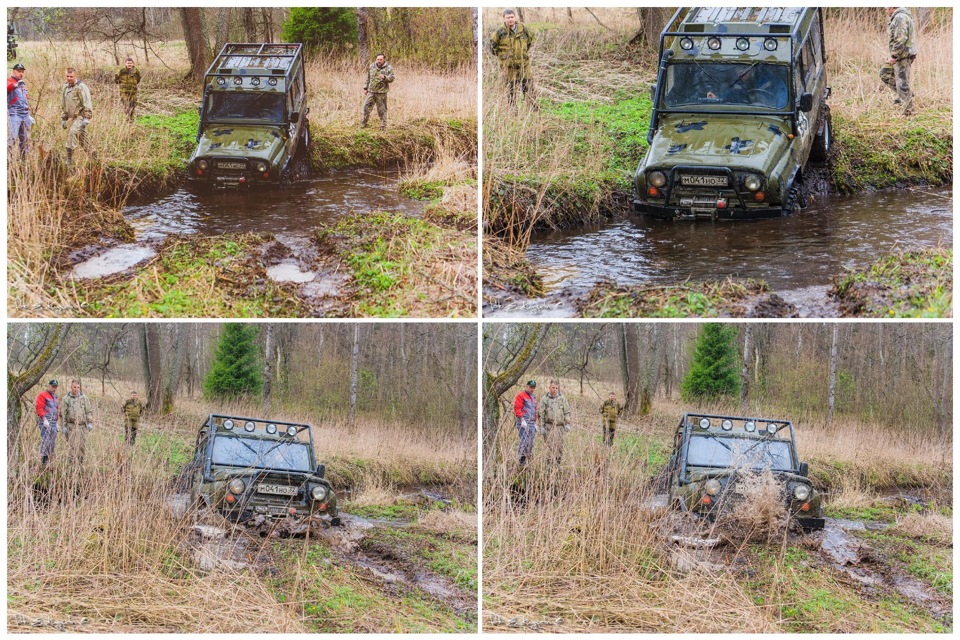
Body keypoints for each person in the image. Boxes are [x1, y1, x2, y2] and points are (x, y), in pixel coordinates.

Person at [490, 9, 535, 109]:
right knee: (511, 89)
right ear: (504, 19)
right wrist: (504, 59)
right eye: (508, 18)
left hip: (524, 64)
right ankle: (513, 111)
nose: (510, 19)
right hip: (508, 67)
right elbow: (493, 49)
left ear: (515, 17)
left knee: (528, 86)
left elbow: (529, 43)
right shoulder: (499, 33)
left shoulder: (523, 29)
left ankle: (534, 110)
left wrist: (522, 54)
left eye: (512, 17)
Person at [880, 7, 917, 116]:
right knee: (884, 73)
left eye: (886, 8)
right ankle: (905, 95)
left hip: (902, 55)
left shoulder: (900, 17)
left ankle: (909, 112)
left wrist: (894, 55)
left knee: (902, 83)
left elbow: (901, 39)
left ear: (891, 6)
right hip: (903, 54)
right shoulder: (899, 16)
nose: (885, 10)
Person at [61, 67, 96, 167]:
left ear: (75, 76)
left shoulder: (81, 87)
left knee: (73, 132)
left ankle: (69, 159)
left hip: (80, 116)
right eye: (67, 76)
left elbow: (87, 102)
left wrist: (87, 118)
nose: (69, 78)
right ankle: (93, 156)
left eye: (71, 76)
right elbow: (64, 103)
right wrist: (64, 118)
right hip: (73, 117)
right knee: (82, 138)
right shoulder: (65, 87)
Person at [60, 379, 94, 468]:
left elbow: (89, 411)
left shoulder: (84, 398)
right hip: (71, 426)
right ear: (71, 387)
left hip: (82, 426)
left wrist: (90, 422)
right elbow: (63, 414)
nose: (76, 389)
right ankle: (71, 466)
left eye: (78, 387)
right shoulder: (66, 398)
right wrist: (63, 426)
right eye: (74, 387)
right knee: (72, 446)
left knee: (81, 446)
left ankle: (79, 465)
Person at [538, 380, 571, 465]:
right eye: (553, 387)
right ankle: (549, 466)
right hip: (549, 426)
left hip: (560, 426)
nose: (555, 389)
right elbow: (541, 414)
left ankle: (557, 464)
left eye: (556, 388)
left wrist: (567, 423)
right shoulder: (544, 399)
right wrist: (541, 426)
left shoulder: (562, 399)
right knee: (549, 446)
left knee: (560, 446)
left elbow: (567, 412)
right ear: (549, 387)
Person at [361, 53, 394, 130]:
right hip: (371, 91)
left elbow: (392, 78)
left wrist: (385, 77)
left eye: (380, 59)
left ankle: (383, 126)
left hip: (381, 93)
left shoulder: (388, 68)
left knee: (382, 109)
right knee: (366, 107)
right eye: (377, 59)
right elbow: (368, 78)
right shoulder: (372, 66)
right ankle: (364, 123)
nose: (379, 61)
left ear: (384, 59)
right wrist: (365, 88)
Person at [7, 62, 33, 157]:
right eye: (19, 71)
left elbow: (24, 100)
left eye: (22, 71)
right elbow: (7, 87)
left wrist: (29, 115)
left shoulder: (22, 85)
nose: (21, 73)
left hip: (25, 115)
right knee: (12, 139)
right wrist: (15, 85)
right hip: (14, 114)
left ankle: (24, 163)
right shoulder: (9, 81)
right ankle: (7, 162)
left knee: (25, 140)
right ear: (13, 71)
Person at [35, 380, 60, 465]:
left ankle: (49, 460)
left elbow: (56, 410)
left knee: (52, 442)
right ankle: (43, 461)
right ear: (49, 386)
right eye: (53, 386)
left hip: (53, 422)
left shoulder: (55, 397)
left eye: (55, 386)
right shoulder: (42, 395)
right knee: (46, 440)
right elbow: (39, 407)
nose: (54, 388)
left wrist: (56, 422)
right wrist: (43, 419)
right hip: (45, 422)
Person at [513, 380, 538, 465]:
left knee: (530, 442)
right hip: (523, 422)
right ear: (526, 386)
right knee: (525, 441)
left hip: (531, 423)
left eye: (533, 387)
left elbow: (535, 410)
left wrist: (535, 422)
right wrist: (522, 420)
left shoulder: (533, 397)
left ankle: (527, 460)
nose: (532, 389)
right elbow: (517, 408)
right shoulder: (520, 396)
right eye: (531, 387)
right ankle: (521, 461)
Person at [114, 56, 141, 122]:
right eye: (128, 63)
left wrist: (133, 84)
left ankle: (131, 118)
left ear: (133, 64)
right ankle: (127, 118)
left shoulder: (136, 71)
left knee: (133, 105)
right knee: (126, 105)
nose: (129, 64)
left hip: (133, 92)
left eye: (130, 63)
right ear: (125, 64)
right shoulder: (122, 71)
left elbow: (138, 79)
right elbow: (115, 79)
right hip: (124, 92)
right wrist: (122, 84)